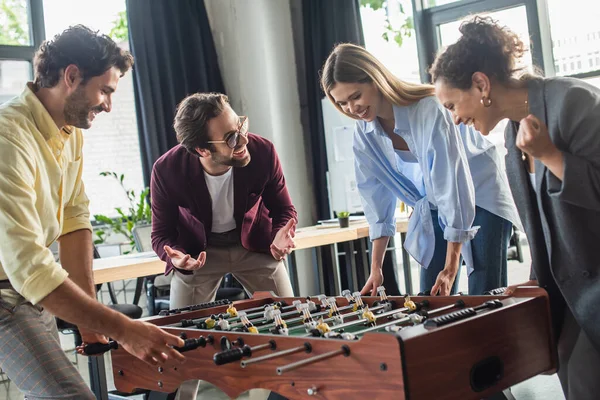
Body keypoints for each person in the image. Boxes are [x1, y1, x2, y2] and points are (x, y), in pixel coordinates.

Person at [0, 25, 185, 400]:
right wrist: (124, 329)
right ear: (71, 76)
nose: (108, 105)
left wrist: (90, 321)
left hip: (26, 290)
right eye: (105, 90)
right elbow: (30, 267)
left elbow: (74, 222)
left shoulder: (69, 134)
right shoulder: (8, 138)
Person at [431, 15, 600, 399]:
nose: (455, 118)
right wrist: (533, 282)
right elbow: (548, 233)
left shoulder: (573, 101)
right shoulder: (510, 141)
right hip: (571, 300)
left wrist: (552, 157)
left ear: (480, 84)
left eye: (453, 104)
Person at [320, 43, 520, 297]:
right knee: (429, 298)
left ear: (375, 80)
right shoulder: (365, 134)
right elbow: (376, 199)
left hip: (482, 195)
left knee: (483, 296)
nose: (352, 109)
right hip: (436, 204)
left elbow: (452, 184)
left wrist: (450, 266)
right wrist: (376, 268)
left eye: (356, 96)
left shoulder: (428, 110)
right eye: (342, 103)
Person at [151, 92, 296, 399]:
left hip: (255, 247)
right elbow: (161, 234)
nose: (243, 139)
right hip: (198, 255)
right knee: (184, 344)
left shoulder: (262, 151)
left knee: (290, 325)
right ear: (202, 149)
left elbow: (284, 209)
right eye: (231, 137)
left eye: (240, 126)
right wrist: (176, 261)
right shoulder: (167, 170)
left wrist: (283, 232)